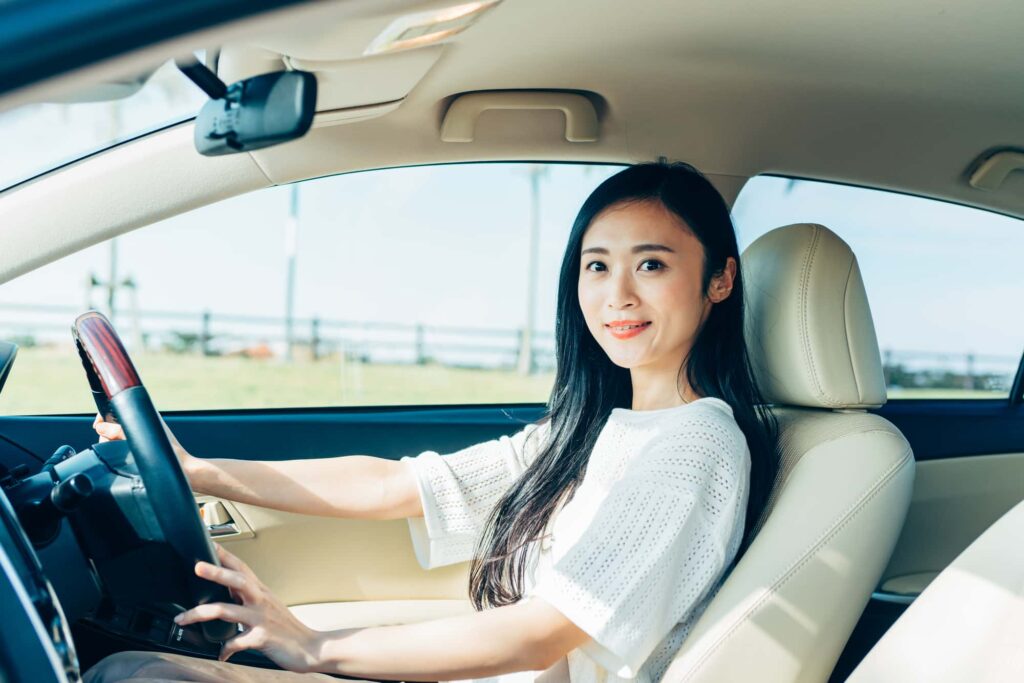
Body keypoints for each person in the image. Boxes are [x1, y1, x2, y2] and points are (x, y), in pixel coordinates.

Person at [83, 162, 778, 683]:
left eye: (651, 264)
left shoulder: (697, 447)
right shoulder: (595, 429)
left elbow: (541, 633)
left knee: (128, 675)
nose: (617, 294)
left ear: (719, 280)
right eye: (597, 266)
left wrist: (311, 646)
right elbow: (399, 485)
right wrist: (196, 470)